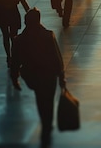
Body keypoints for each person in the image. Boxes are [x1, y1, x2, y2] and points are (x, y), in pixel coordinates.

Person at [10, 8, 66, 147]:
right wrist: (61, 76)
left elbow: (15, 61)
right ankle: (47, 124)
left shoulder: (20, 40)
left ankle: (45, 123)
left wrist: (14, 77)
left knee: (41, 100)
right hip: (49, 75)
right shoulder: (48, 35)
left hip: (34, 77)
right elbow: (57, 58)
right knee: (49, 100)